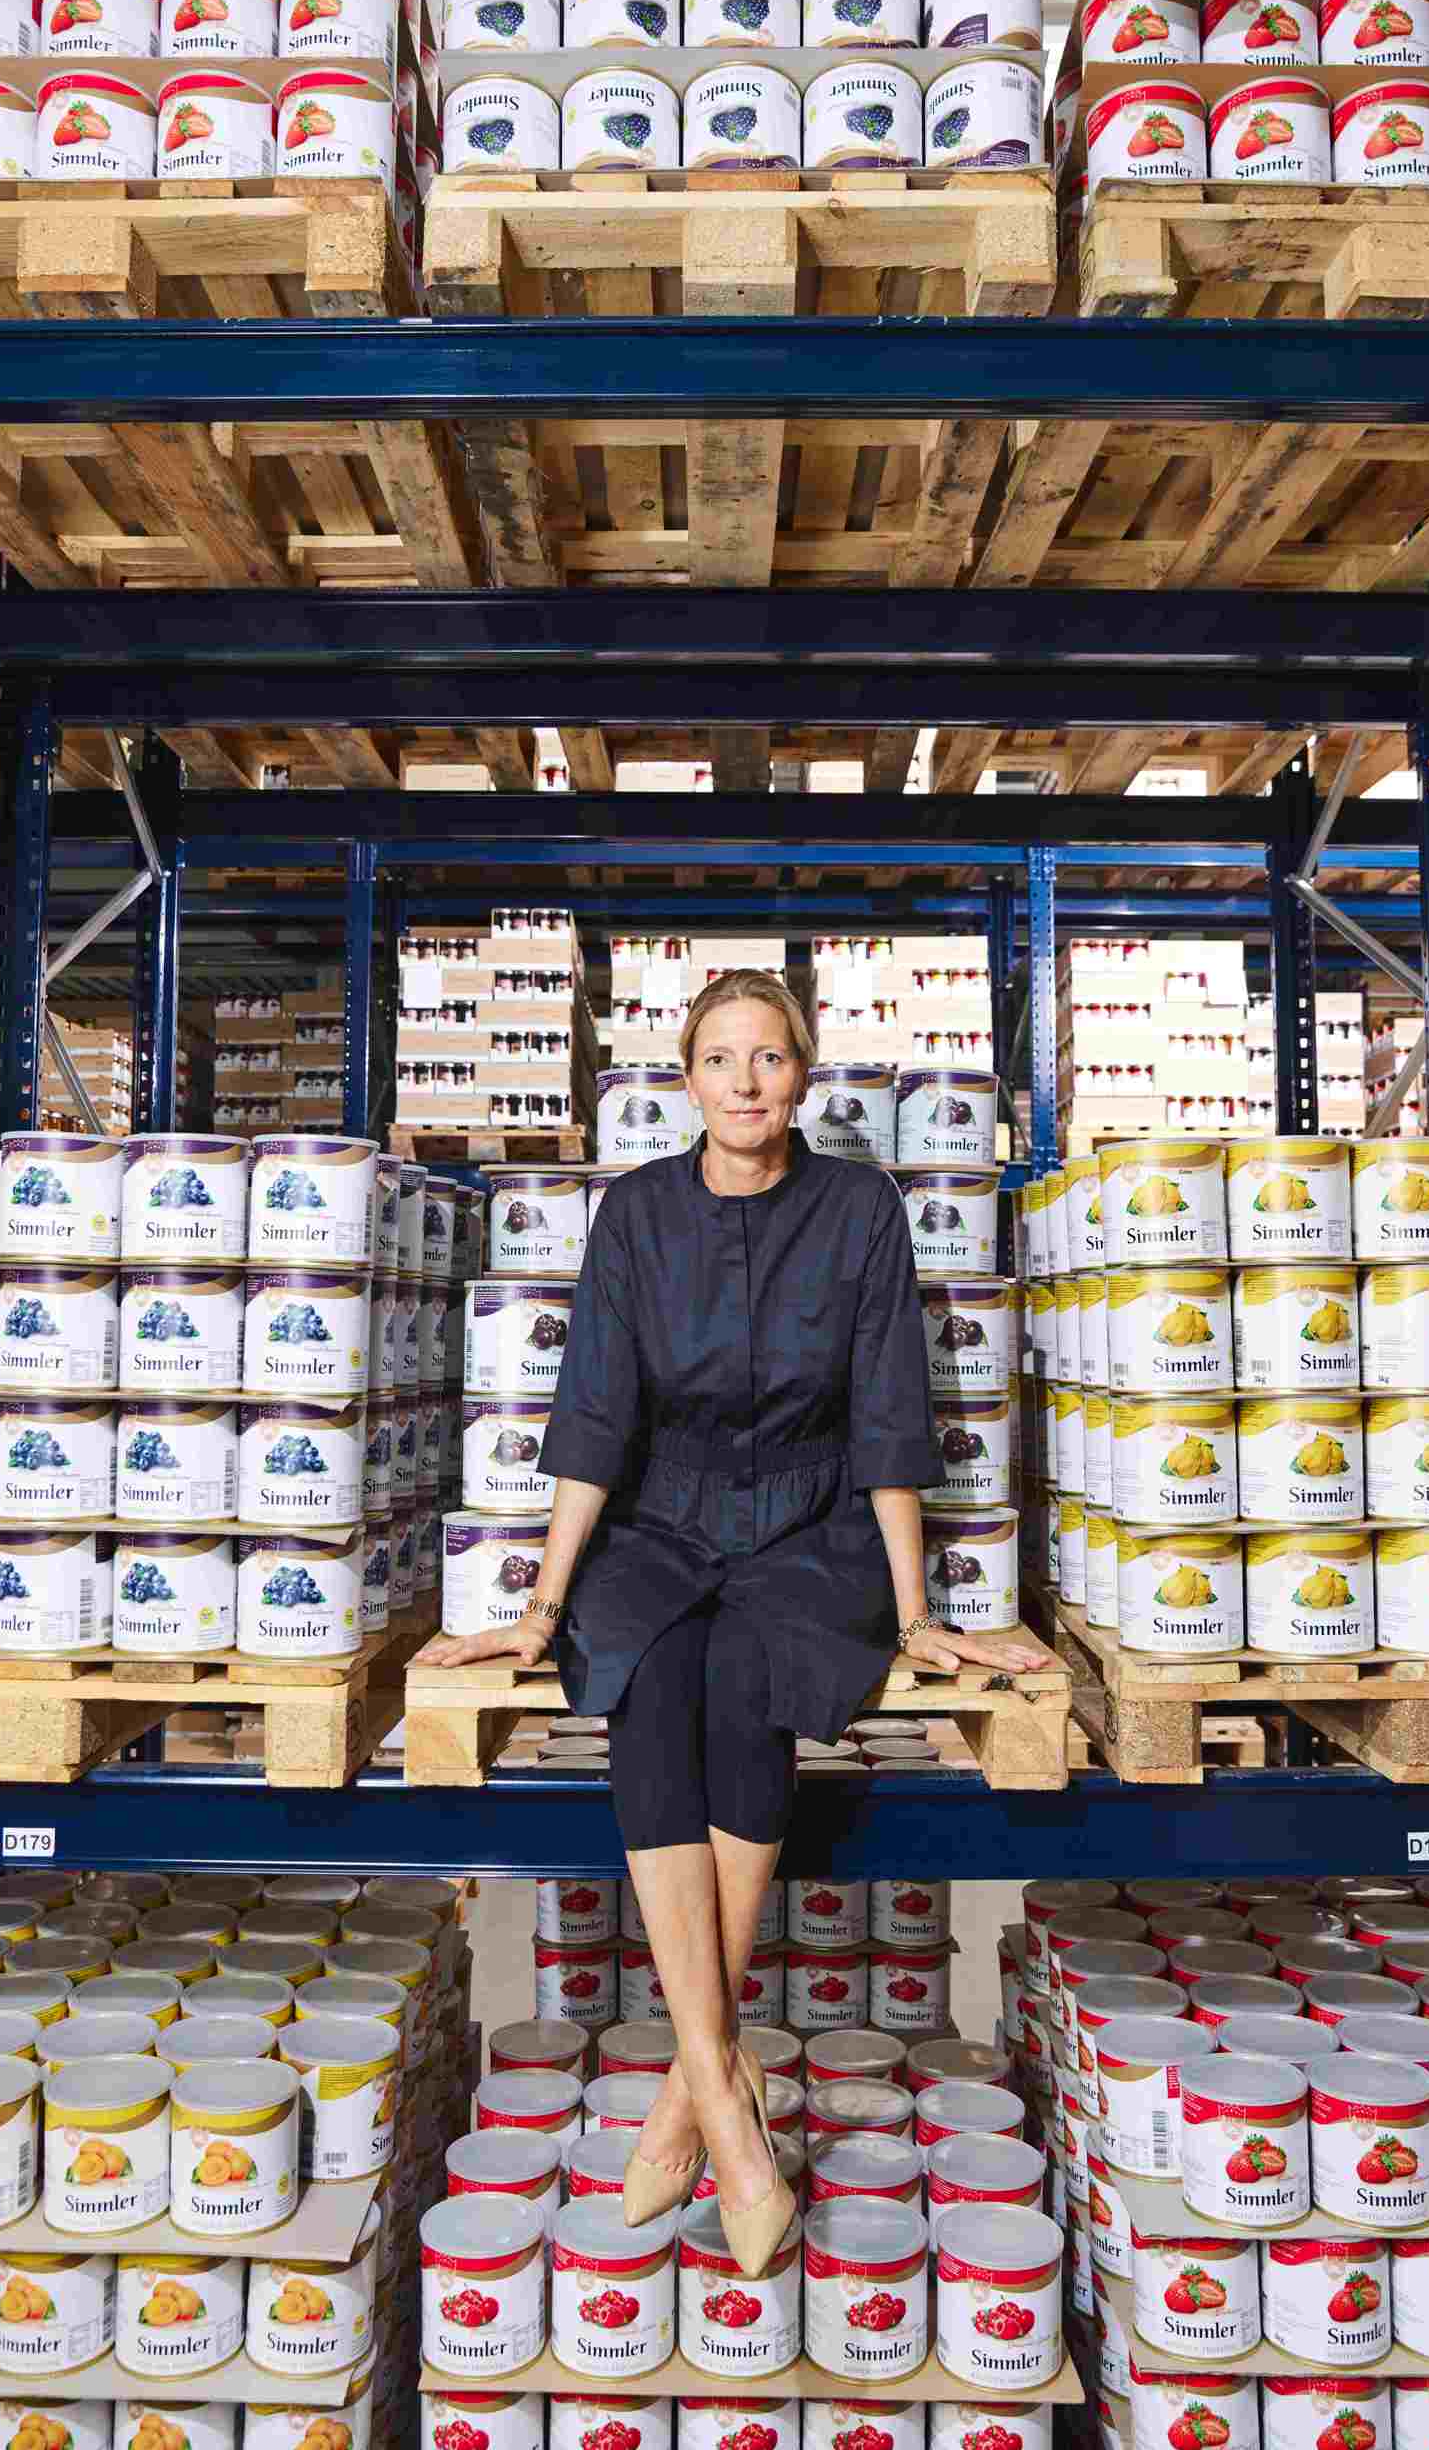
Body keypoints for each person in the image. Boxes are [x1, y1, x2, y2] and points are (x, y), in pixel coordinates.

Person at [421, 969, 1048, 2273]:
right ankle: (726, 2097)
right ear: (688, 1077)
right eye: (721, 1058)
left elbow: (889, 1412)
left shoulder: (860, 1209)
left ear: (803, 1076)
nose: (747, 1081)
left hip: (815, 1528)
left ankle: (688, 2095)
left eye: (770, 1057)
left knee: (749, 1675)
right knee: (652, 1677)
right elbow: (593, 1415)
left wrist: (916, 1614)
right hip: (658, 1520)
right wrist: (541, 1606)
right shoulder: (637, 1213)